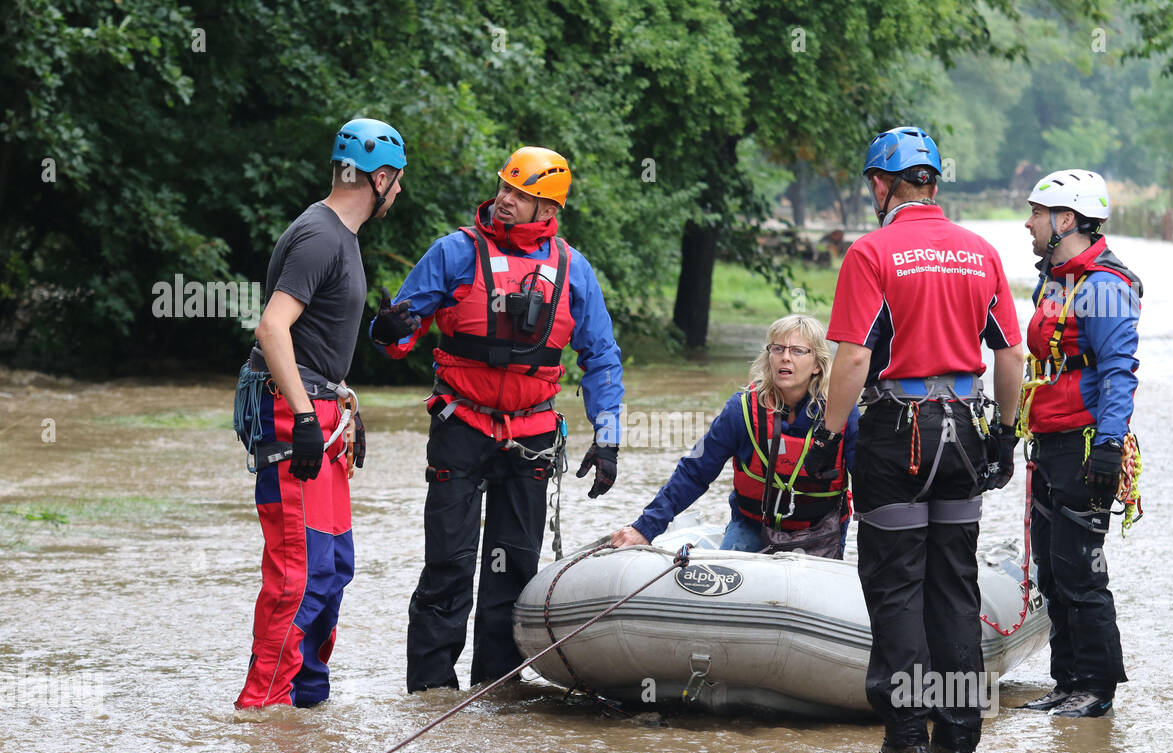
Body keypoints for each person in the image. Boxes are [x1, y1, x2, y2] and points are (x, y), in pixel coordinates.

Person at [372, 146, 625, 692]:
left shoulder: (572, 269)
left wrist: (608, 439)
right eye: (506, 189)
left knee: (513, 572)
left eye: (524, 196)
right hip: (461, 426)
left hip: (531, 436)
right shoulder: (454, 253)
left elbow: (601, 358)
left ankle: (497, 694)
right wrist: (390, 329)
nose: (507, 201)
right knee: (449, 567)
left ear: (548, 208)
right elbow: (397, 334)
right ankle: (432, 695)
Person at [810, 126, 1024, 753]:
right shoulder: (979, 252)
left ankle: (907, 740)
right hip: (965, 433)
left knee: (897, 585)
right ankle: (959, 742)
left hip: (896, 436)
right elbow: (1010, 355)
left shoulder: (872, 253)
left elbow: (852, 361)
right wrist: (1006, 436)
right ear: (933, 182)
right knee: (954, 589)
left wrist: (826, 435)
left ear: (882, 183)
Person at [235, 117, 406, 709]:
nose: (400, 192)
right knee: (299, 577)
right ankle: (262, 713)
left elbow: (313, 345)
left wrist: (341, 408)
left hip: (319, 409)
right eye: (398, 180)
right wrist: (308, 418)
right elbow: (272, 327)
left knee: (332, 568)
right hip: (292, 418)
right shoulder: (320, 235)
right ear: (380, 177)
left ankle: (306, 711)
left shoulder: (341, 237)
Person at [1017, 169, 1140, 718]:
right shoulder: (1057, 279)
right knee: (1050, 566)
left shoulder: (1104, 286)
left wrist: (1109, 447)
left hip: (1085, 446)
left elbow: (1118, 371)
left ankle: (1096, 687)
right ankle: (1067, 681)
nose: (1028, 223)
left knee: (1081, 570)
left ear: (1066, 219)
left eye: (1037, 214)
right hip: (1048, 445)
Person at [611, 314, 858, 556]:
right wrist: (644, 528)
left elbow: (868, 480)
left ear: (817, 364)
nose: (785, 357)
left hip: (820, 530)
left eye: (797, 351)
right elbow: (695, 472)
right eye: (778, 348)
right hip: (753, 525)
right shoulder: (741, 411)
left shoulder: (841, 414)